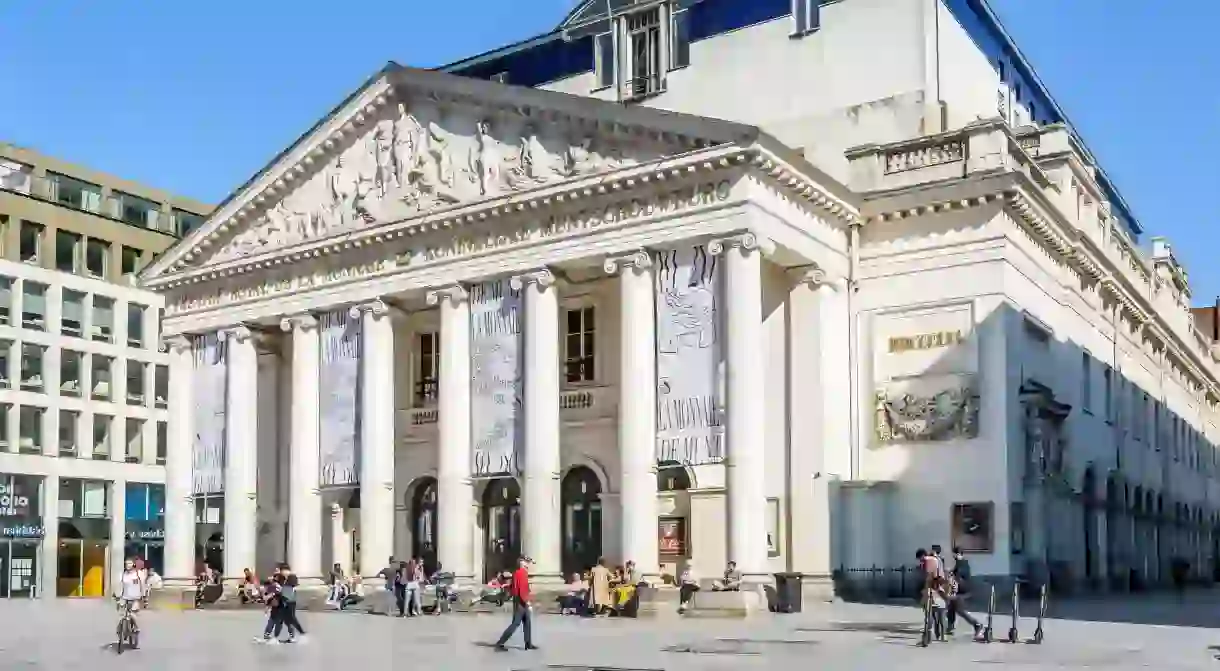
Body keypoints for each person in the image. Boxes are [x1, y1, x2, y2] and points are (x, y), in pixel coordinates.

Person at [494, 556, 539, 652]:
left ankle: (528, 643)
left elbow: (515, 586)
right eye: (528, 563)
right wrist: (527, 602)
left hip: (519, 601)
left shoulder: (517, 573)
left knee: (527, 622)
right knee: (515, 623)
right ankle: (500, 643)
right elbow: (522, 590)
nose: (529, 565)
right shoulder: (522, 573)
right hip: (521, 602)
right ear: (523, 563)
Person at [946, 547, 982, 638]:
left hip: (963, 591)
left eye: (955, 554)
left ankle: (977, 625)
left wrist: (952, 576)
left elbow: (959, 577)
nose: (953, 556)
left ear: (959, 554)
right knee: (951, 607)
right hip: (959, 590)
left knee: (960, 610)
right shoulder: (960, 564)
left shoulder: (962, 564)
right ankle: (950, 626)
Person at [115, 559, 145, 636]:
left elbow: (143, 585)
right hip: (125, 597)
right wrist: (116, 595)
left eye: (130, 563)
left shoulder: (139, 574)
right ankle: (120, 630)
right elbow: (119, 585)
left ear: (133, 564)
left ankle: (137, 628)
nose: (128, 565)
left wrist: (144, 596)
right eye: (126, 563)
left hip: (136, 597)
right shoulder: (123, 574)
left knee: (132, 614)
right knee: (121, 614)